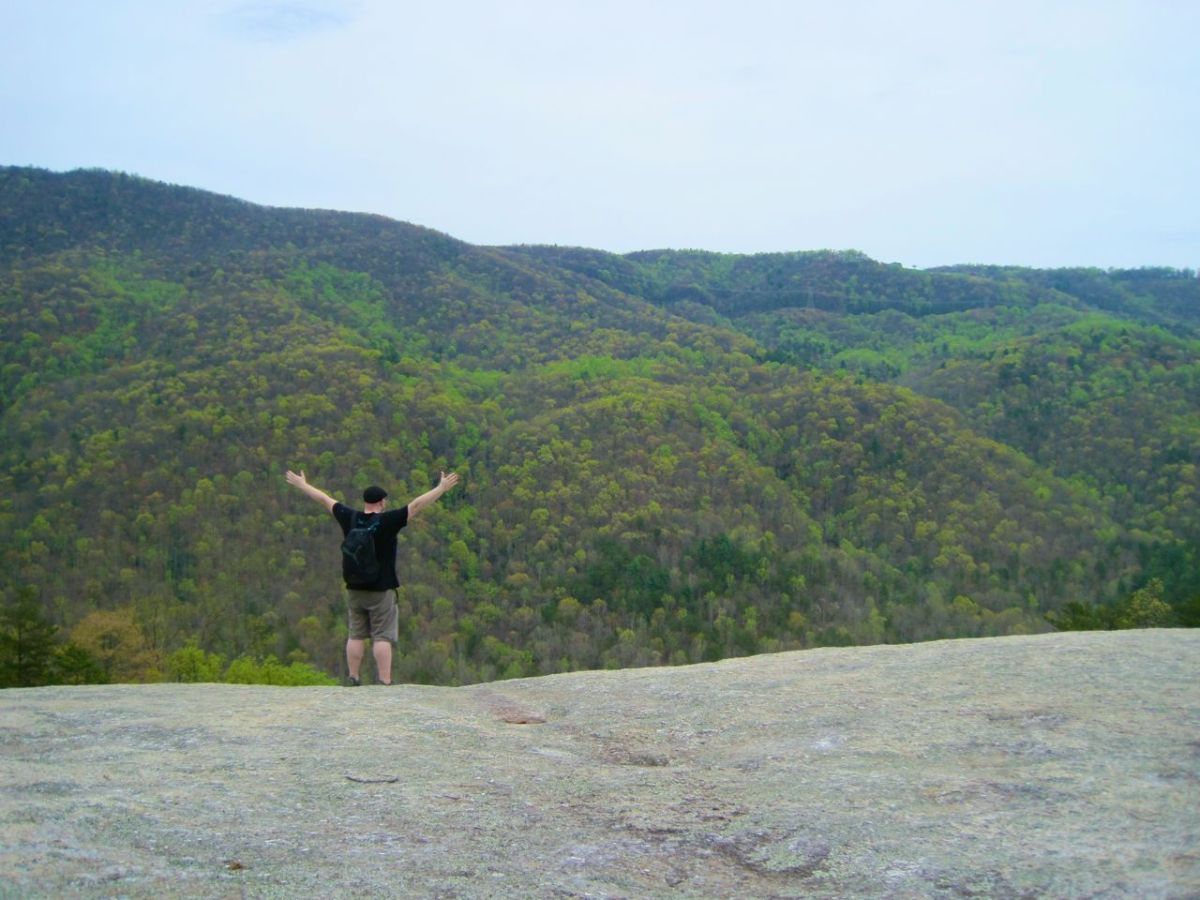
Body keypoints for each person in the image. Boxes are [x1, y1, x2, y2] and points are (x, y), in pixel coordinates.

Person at [285, 469, 460, 685]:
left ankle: (353, 676)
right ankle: (385, 681)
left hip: (354, 587)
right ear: (382, 502)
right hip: (381, 589)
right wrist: (441, 488)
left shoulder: (349, 517)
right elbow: (416, 505)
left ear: (366, 501)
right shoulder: (387, 521)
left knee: (355, 634)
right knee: (382, 636)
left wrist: (302, 485)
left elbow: (324, 499)